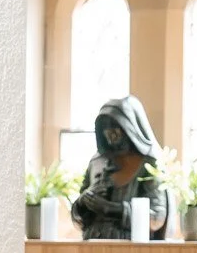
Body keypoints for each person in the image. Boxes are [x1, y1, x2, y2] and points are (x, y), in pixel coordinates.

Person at [70, 96, 169, 240]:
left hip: (131, 248)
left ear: (131, 128)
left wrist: (112, 208)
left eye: (117, 130)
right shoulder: (97, 162)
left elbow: (156, 218)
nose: (112, 138)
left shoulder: (149, 164)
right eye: (107, 131)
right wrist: (83, 202)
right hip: (91, 245)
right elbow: (79, 219)